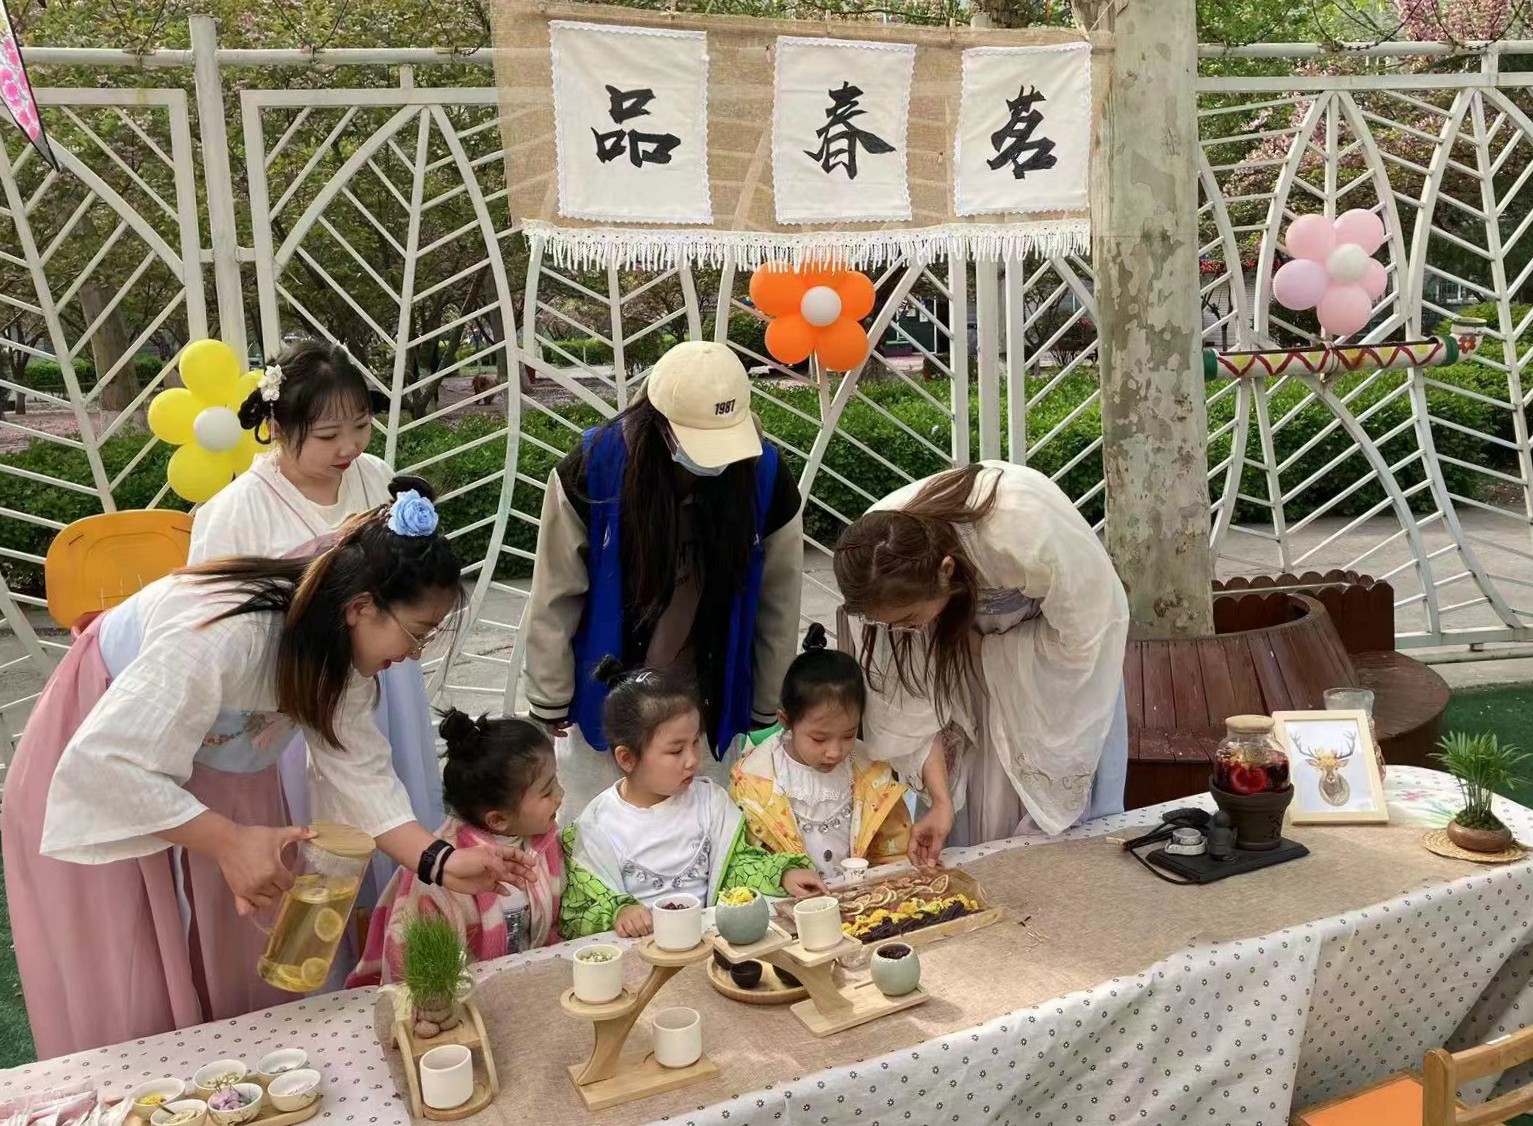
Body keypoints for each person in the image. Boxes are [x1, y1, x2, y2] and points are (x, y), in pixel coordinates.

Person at [1, 482, 534, 1059]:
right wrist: (227, 839)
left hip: (217, 769)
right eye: (417, 633)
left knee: (236, 940)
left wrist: (443, 862)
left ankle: (235, 1077)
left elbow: (361, 774)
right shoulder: (223, 634)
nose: (414, 655)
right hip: (103, 757)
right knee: (133, 956)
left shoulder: (339, 651)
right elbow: (109, 767)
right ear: (361, 608)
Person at [189, 340, 444, 893]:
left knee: (387, 774)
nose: (349, 446)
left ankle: (400, 908)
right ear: (278, 426)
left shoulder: (375, 477)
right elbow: (209, 623)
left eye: (361, 426)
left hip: (380, 669)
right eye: (328, 436)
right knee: (319, 823)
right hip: (295, 688)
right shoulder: (236, 510)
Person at [521, 341, 804, 820]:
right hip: (611, 696)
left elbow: (779, 599)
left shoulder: (764, 475)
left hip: (704, 700)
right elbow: (555, 592)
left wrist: (765, 705)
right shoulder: (595, 467)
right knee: (601, 827)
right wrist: (549, 700)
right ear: (659, 422)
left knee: (703, 828)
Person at [833, 461, 1130, 854]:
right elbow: (906, 706)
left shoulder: (1026, 527)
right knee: (977, 810)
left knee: (1052, 828)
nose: (908, 631)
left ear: (946, 570)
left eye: (910, 619)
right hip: (963, 673)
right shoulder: (870, 566)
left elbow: (1089, 635)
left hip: (1049, 677)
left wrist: (988, 651)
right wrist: (941, 803)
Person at [558, 660, 825, 941]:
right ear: (627, 758)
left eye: (696, 742)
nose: (692, 760)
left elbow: (736, 865)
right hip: (641, 950)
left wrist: (781, 874)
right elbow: (580, 911)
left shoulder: (710, 802)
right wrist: (619, 912)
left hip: (711, 943)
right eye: (676, 751)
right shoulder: (596, 827)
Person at [347, 710, 565, 987]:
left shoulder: (544, 843)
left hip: (532, 988)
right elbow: (414, 971)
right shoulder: (436, 878)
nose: (561, 794)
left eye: (556, 781)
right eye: (547, 792)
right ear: (498, 820)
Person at [730, 623, 928, 880]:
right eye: (819, 739)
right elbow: (744, 861)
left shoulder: (870, 772)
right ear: (786, 721)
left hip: (864, 896)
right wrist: (782, 876)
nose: (834, 752)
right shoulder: (756, 782)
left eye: (848, 735)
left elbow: (893, 848)